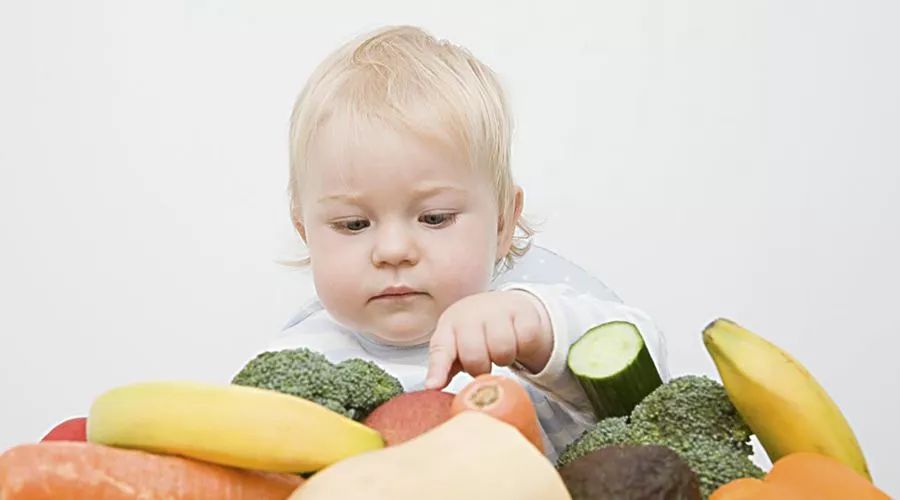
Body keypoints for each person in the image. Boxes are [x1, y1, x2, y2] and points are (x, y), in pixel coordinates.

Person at [263, 24, 668, 461]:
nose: (393, 250)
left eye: (434, 217)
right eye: (353, 224)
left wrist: (539, 333)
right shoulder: (296, 362)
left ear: (502, 224)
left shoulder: (524, 331)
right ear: (306, 232)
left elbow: (655, 388)